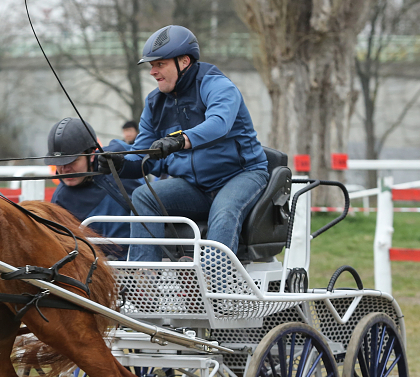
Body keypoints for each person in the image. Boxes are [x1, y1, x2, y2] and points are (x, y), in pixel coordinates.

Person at [100, 25, 269, 262]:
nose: (153, 72)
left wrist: (180, 140)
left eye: (160, 64)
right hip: (195, 187)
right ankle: (144, 281)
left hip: (240, 175)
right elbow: (143, 158)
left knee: (223, 212)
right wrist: (118, 165)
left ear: (185, 61)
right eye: (151, 65)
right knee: (143, 196)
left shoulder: (217, 86)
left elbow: (219, 124)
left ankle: (212, 284)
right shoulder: (154, 103)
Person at [44, 117, 143, 260]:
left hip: (148, 262)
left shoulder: (120, 158)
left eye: (72, 161)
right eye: (58, 163)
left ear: (91, 155)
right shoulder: (60, 200)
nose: (64, 169)